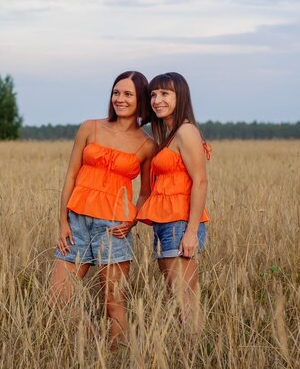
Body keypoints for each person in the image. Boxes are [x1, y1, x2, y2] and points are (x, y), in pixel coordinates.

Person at [49, 71, 157, 348]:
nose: (120, 99)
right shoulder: (90, 128)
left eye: (128, 94)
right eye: (116, 92)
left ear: (140, 100)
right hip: (77, 221)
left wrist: (131, 220)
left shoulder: (147, 145)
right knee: (58, 294)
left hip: (114, 226)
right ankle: (95, 345)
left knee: (113, 300)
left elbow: (145, 191)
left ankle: (114, 358)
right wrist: (62, 222)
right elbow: (70, 176)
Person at [136, 72, 211, 332]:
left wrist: (191, 233)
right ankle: (189, 354)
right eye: (154, 94)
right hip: (165, 223)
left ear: (181, 97)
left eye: (165, 94)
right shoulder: (170, 133)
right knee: (177, 298)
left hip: (180, 224)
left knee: (185, 300)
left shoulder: (186, 131)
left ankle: (196, 358)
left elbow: (200, 181)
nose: (157, 100)